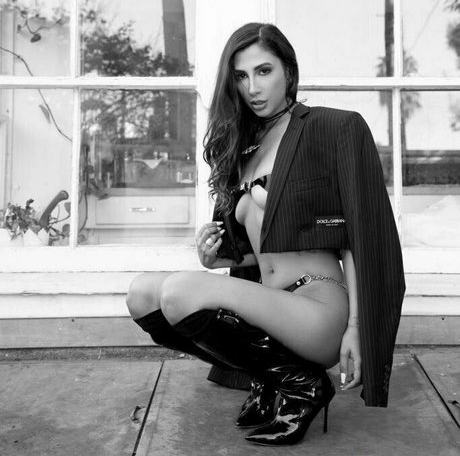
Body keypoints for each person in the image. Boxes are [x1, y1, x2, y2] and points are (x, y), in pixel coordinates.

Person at [126, 22, 405, 447]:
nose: (252, 87)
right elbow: (262, 250)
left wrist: (357, 328)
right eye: (241, 76)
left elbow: (360, 239)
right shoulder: (243, 148)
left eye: (264, 71)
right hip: (269, 305)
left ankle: (302, 385)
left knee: (179, 292)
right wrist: (217, 257)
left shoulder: (332, 128)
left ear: (288, 71)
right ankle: (272, 377)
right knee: (142, 294)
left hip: (317, 304)